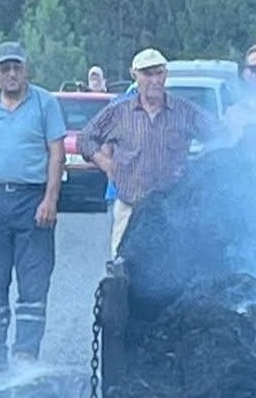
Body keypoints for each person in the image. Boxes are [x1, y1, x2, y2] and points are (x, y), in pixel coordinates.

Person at [0, 41, 66, 374]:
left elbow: (56, 152)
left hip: (33, 200)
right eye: (4, 68)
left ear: (26, 70)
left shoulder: (45, 104)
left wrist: (50, 199)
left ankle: (25, 351)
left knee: (33, 279)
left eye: (17, 67)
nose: (11, 74)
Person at [79, 48, 217, 257]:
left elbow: (219, 135)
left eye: (158, 73)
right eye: (147, 74)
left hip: (173, 213)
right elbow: (85, 139)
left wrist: (198, 170)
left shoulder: (184, 111)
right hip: (129, 208)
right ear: (134, 75)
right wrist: (105, 163)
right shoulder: (119, 111)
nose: (154, 80)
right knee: (121, 274)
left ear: (166, 74)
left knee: (174, 272)